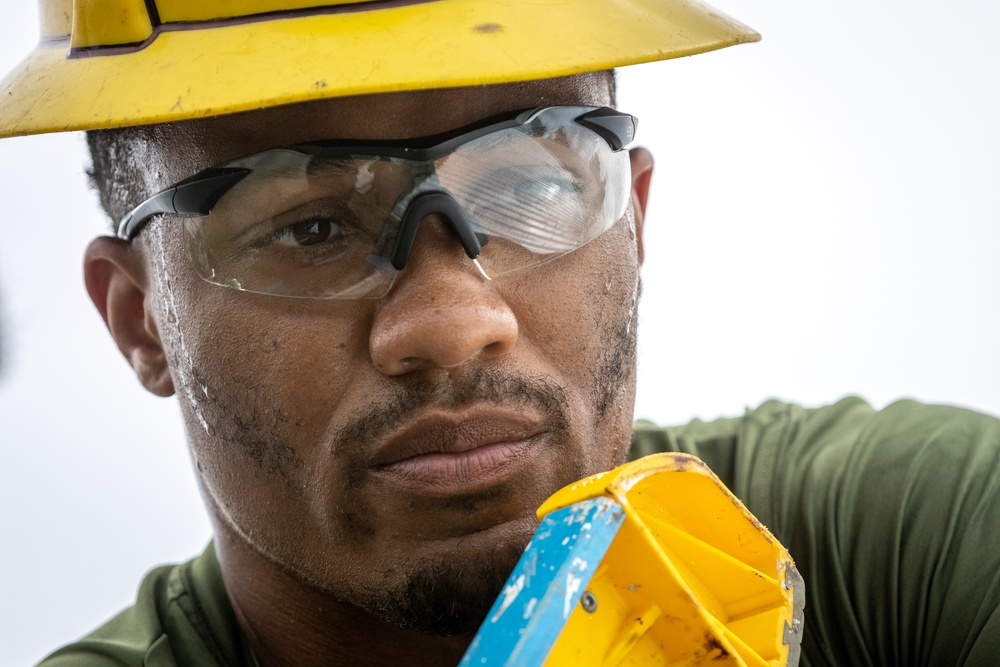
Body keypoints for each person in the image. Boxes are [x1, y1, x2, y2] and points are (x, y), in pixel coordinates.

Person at [2, 1, 998, 665]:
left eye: (528, 186)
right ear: (142, 321)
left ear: (634, 220)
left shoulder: (896, 541)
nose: (454, 322)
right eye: (310, 225)